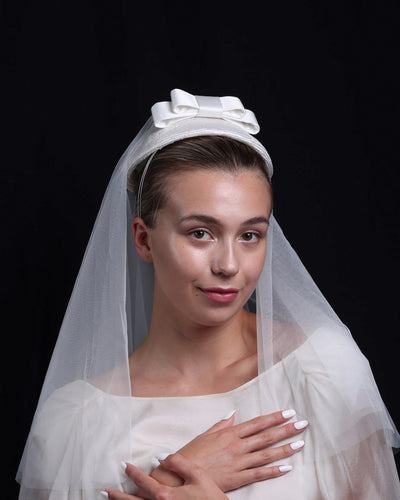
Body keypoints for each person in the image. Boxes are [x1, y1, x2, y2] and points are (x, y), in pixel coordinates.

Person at [16, 89, 400, 499]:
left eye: (250, 235)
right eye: (200, 233)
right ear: (143, 240)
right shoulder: (72, 423)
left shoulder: (323, 371)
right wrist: (167, 485)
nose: (230, 265)